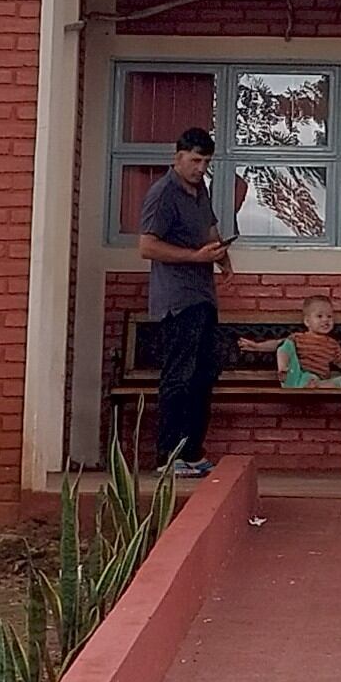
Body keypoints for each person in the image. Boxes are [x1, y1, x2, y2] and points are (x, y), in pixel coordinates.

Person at [135, 125, 232, 475]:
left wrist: (222, 256)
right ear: (178, 157)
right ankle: (167, 455)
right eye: (195, 161)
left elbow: (209, 230)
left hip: (203, 296)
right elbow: (147, 246)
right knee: (179, 376)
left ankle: (191, 451)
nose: (200, 168)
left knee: (203, 375)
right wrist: (195, 257)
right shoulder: (163, 193)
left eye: (206, 162)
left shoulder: (200, 189)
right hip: (177, 299)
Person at [277, 293, 341, 389]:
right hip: (298, 376)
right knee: (286, 345)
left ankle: (317, 386)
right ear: (307, 321)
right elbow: (282, 348)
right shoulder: (298, 338)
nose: (325, 320)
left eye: (329, 316)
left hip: (320, 379)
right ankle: (283, 370)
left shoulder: (332, 344)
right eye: (319, 316)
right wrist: (259, 346)